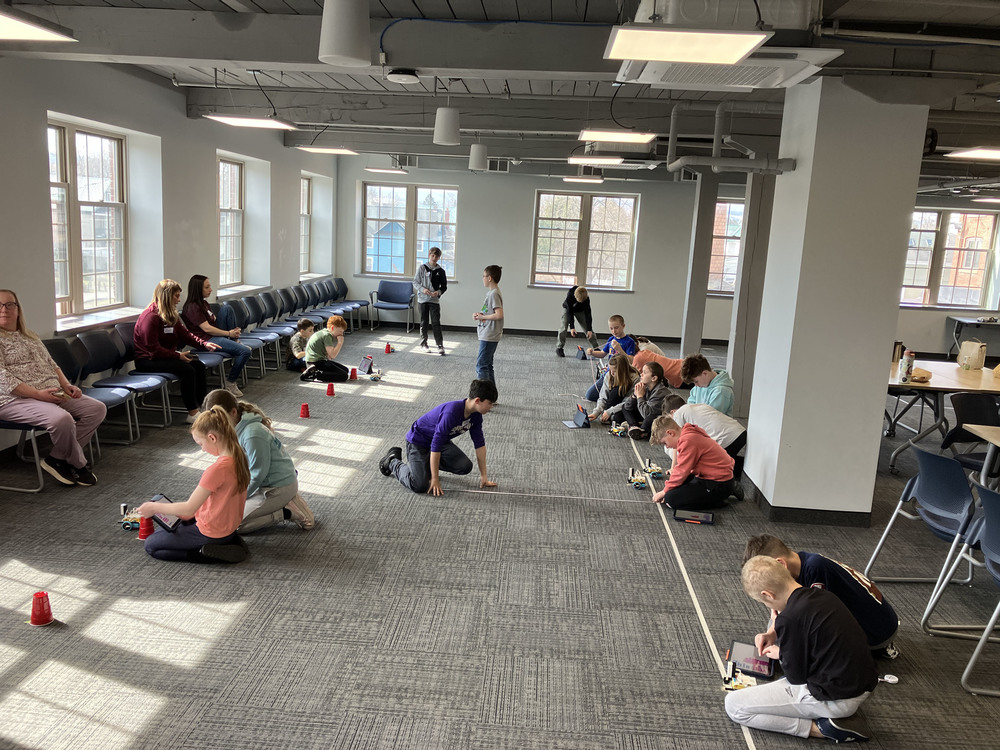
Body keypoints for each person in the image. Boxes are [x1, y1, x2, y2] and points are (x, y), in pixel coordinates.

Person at [725, 556, 878, 743]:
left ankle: (823, 729)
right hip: (858, 684)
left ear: (768, 595)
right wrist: (776, 632)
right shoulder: (822, 595)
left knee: (734, 705)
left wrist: (782, 653)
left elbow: (795, 677)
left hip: (836, 698)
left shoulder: (791, 618)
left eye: (763, 602)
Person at [0, 289, 105, 486]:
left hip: (51, 392)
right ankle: (78, 464)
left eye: (9, 304)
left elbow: (52, 364)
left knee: (96, 409)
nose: (4, 309)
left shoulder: (30, 336)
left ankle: (57, 458)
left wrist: (67, 385)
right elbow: (4, 379)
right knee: (62, 419)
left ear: (18, 309)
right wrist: (38, 395)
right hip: (14, 399)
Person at [743, 534, 900, 660]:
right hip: (870, 621)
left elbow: (815, 624)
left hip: (877, 631)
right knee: (783, 624)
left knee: (800, 649)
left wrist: (785, 652)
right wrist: (771, 633)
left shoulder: (815, 569)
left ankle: (877, 651)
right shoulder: (800, 562)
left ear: (781, 564)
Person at [139, 406, 250, 563]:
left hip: (211, 532)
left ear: (212, 438)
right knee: (170, 526)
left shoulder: (217, 470)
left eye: (200, 444)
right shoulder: (240, 456)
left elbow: (189, 508)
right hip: (227, 527)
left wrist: (153, 508)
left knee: (151, 545)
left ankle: (203, 553)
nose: (202, 450)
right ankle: (230, 541)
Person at [203, 389, 314, 533]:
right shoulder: (235, 427)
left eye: (221, 420)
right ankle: (277, 504)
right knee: (221, 515)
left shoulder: (252, 434)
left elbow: (257, 474)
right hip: (260, 484)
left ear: (233, 412)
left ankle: (286, 511)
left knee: (233, 525)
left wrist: (236, 497)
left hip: (276, 488)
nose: (219, 426)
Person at [379, 379, 498, 496]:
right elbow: (436, 446)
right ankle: (392, 461)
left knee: (464, 466)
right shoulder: (451, 413)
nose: (491, 406)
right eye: (490, 403)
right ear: (477, 400)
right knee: (419, 485)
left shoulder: (476, 415)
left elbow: (479, 445)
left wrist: (484, 476)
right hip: (418, 442)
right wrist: (435, 478)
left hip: (439, 442)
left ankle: (426, 465)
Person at [134, 279, 221, 424]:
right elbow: (153, 349)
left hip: (164, 357)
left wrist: (204, 344)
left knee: (198, 365)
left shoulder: (170, 314)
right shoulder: (150, 317)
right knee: (187, 370)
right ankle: (192, 412)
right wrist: (177, 356)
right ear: (166, 296)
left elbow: (185, 334)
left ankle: (203, 406)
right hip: (147, 360)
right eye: (176, 296)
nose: (179, 300)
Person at [181, 274, 252, 397]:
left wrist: (232, 332)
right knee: (245, 352)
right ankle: (230, 382)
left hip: (214, 335)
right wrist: (229, 333)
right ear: (198, 289)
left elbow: (213, 321)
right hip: (207, 340)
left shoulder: (204, 303)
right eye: (207, 287)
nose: (211, 289)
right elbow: (207, 329)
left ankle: (234, 341)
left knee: (227, 309)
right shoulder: (192, 307)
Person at [649, 415, 738, 509]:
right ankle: (726, 490)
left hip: (718, 483)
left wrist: (664, 491)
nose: (666, 446)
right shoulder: (689, 433)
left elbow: (682, 471)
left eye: (664, 443)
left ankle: (719, 500)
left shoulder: (687, 440)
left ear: (670, 433)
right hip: (715, 477)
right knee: (674, 487)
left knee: (670, 499)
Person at [663, 394, 746, 476]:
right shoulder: (696, 406)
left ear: (672, 412)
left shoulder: (678, 414)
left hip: (726, 438)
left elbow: (677, 442)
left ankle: (736, 470)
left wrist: (673, 468)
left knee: (701, 464)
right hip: (740, 433)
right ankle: (741, 467)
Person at [585, 315, 638, 401]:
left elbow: (631, 361)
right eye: (611, 328)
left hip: (620, 375)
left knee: (613, 398)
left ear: (623, 326)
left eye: (616, 328)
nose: (614, 331)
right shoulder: (611, 339)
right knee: (590, 395)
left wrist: (620, 350)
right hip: (608, 373)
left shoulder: (629, 341)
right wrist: (592, 352)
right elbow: (602, 354)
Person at [620, 361, 669, 441]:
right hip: (645, 412)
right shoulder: (645, 386)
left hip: (656, 417)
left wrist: (640, 396)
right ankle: (634, 427)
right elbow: (627, 407)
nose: (641, 374)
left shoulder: (660, 392)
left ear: (654, 378)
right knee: (623, 409)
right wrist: (634, 395)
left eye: (645, 372)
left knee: (649, 419)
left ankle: (641, 430)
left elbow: (647, 414)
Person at [413, 246, 448, 355]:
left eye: (436, 256)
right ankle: (424, 344)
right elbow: (415, 282)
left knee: (436, 322)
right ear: (429, 255)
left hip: (434, 301)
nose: (434, 258)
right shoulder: (422, 268)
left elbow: (444, 287)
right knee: (424, 322)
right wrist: (423, 290)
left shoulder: (441, 271)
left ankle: (440, 345)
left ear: (439, 258)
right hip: (422, 300)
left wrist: (438, 292)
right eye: (432, 256)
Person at [473, 265, 503, 384]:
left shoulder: (494, 294)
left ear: (489, 278)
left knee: (481, 365)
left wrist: (483, 317)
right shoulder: (491, 293)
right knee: (488, 364)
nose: (483, 279)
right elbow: (488, 311)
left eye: (484, 276)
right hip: (488, 332)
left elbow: (499, 314)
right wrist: (479, 314)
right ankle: (491, 393)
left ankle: (484, 393)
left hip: (489, 334)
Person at [587, 354, 638, 423]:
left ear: (622, 371)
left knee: (617, 417)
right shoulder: (609, 375)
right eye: (610, 370)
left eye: (614, 371)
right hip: (618, 402)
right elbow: (603, 397)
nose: (611, 373)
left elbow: (628, 402)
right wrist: (596, 412)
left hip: (630, 405)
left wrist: (610, 411)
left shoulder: (635, 379)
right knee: (614, 392)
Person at [301, 315, 349, 382]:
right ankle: (316, 374)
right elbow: (332, 355)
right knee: (344, 376)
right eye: (340, 331)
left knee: (346, 370)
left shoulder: (324, 332)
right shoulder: (327, 336)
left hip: (312, 361)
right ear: (332, 328)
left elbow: (329, 356)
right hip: (316, 362)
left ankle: (315, 371)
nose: (341, 334)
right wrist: (340, 343)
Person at [555, 285, 598, 357]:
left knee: (587, 329)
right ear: (575, 296)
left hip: (580, 311)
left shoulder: (586, 298)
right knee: (564, 327)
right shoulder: (570, 296)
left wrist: (589, 329)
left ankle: (596, 348)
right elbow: (570, 312)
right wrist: (572, 327)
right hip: (568, 309)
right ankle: (559, 347)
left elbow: (588, 314)